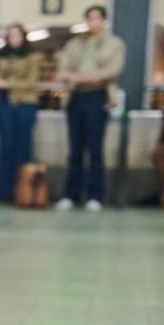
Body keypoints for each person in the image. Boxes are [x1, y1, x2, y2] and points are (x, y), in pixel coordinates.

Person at [54, 5, 124, 212]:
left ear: (104, 21)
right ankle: (71, 194)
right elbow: (62, 70)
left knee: (95, 150)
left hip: (98, 96)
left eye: (96, 18)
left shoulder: (114, 44)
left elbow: (112, 70)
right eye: (89, 18)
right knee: (75, 150)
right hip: (75, 97)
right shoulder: (74, 43)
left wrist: (90, 77)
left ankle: (95, 196)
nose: (92, 22)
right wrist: (74, 77)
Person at [0, 23, 41, 202]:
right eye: (11, 35)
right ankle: (4, 192)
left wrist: (6, 84)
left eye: (17, 35)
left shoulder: (32, 57)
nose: (14, 39)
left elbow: (32, 82)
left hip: (25, 104)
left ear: (23, 37)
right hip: (4, 105)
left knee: (23, 147)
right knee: (6, 147)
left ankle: (24, 191)